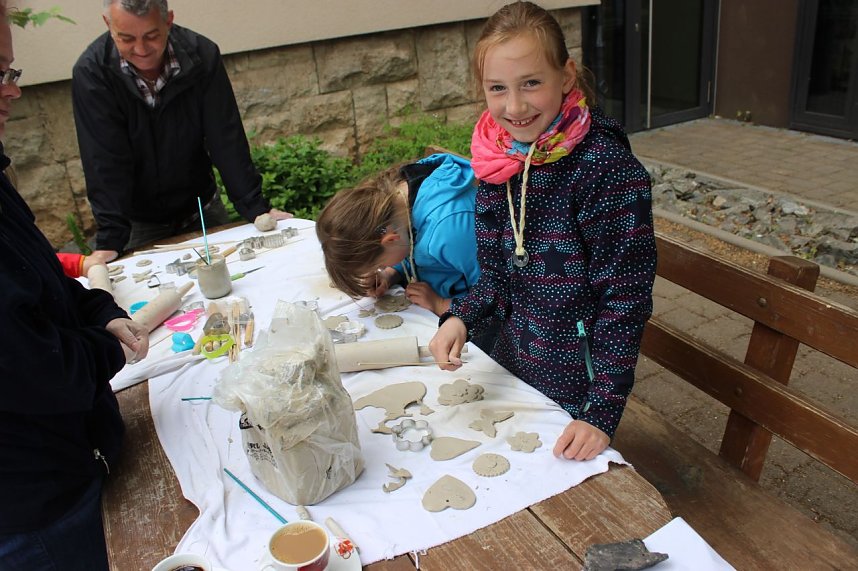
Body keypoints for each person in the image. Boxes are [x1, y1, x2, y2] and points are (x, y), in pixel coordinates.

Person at [428, 1, 657, 462]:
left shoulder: (607, 172)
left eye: (531, 83)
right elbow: (497, 277)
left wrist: (601, 413)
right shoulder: (498, 162)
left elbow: (625, 300)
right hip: (516, 368)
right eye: (498, 88)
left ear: (567, 77)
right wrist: (460, 317)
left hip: (580, 389)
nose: (514, 106)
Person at [0, 4, 149, 568]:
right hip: (34, 508)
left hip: (65, 467)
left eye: (11, 72)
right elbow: (40, 370)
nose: (13, 91)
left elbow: (39, 280)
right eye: (0, 73)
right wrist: (108, 345)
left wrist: (99, 306)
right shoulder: (95, 73)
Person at [72, 0, 291, 264]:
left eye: (151, 36)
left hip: (201, 207)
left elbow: (225, 137)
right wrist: (110, 238)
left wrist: (256, 208)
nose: (141, 50)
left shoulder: (202, 55)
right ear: (108, 25)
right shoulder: (92, 73)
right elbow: (103, 159)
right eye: (126, 38)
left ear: (168, 21)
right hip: (139, 221)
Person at [315, 154, 499, 349]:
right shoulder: (396, 205)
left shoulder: (450, 231)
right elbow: (407, 244)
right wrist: (391, 274)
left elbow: (496, 293)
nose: (381, 269)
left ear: (390, 240)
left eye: (380, 265)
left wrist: (441, 304)